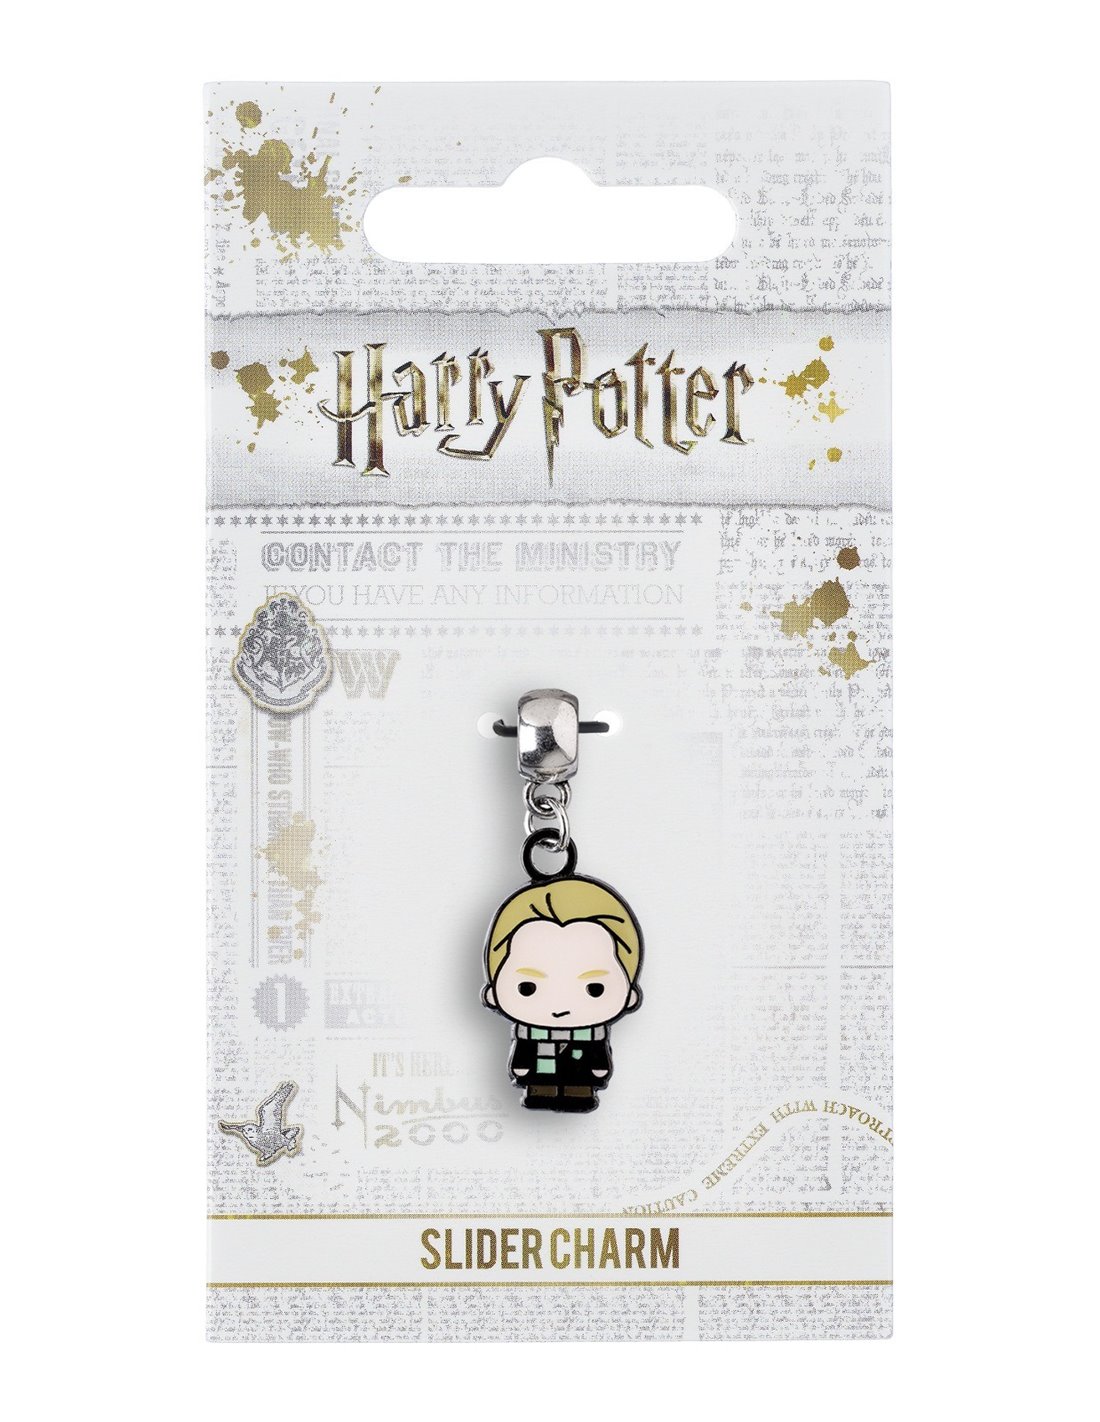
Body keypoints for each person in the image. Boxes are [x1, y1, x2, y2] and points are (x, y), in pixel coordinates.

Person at [483, 877, 643, 1112]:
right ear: (492, 993)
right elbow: (525, 1049)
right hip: (539, 1070)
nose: (560, 1007)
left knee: (579, 1082)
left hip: (582, 1070)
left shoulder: (593, 1034)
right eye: (527, 987)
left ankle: (579, 1094)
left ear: (630, 995)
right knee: (540, 1084)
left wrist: (600, 1068)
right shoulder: (529, 1033)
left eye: (595, 989)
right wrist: (521, 1066)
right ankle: (539, 1093)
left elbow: (597, 1053)